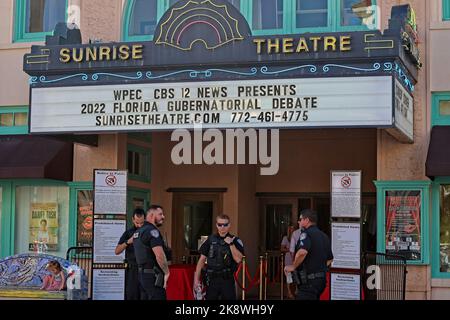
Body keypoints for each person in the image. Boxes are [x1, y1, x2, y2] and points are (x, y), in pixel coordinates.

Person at [284, 209, 333, 300]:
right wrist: (319, 268)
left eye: (300, 219)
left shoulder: (306, 234)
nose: (299, 221)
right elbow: (330, 259)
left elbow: (302, 252)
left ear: (307, 220)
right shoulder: (324, 236)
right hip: (321, 282)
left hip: (308, 282)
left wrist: (293, 266)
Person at [194, 214, 244, 300]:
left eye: (225, 225)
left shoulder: (235, 240)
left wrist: (231, 244)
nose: (222, 227)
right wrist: (196, 280)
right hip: (211, 280)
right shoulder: (210, 239)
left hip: (227, 280)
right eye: (220, 225)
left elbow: (239, 259)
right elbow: (201, 260)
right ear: (216, 225)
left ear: (229, 225)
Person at [133, 205, 170, 300]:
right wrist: (167, 273)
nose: (163, 217)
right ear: (152, 215)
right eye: (160, 214)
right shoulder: (153, 231)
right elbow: (159, 255)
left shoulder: (139, 231)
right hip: (153, 277)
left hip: (142, 276)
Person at [115, 208, 146, 300]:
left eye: (142, 223)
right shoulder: (128, 232)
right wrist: (128, 242)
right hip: (132, 270)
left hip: (146, 270)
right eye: (137, 223)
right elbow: (117, 251)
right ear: (133, 219)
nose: (139, 225)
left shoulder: (149, 231)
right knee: (132, 295)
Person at [281, 225, 295, 299]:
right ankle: (289, 292)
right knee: (288, 275)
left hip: (295, 258)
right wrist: (289, 249)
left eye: (293, 229)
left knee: (296, 274)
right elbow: (282, 248)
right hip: (288, 258)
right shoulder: (285, 238)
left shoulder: (296, 237)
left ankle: (296, 290)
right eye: (290, 229)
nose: (291, 230)